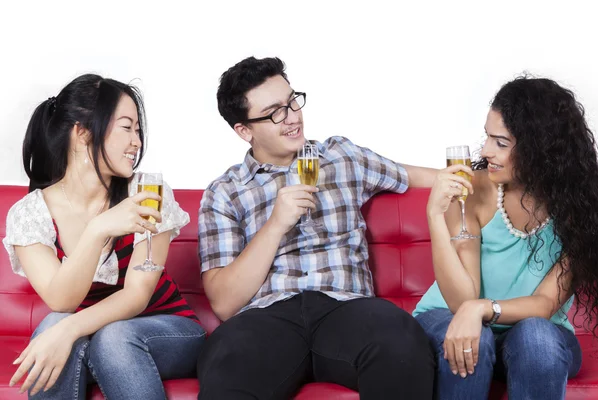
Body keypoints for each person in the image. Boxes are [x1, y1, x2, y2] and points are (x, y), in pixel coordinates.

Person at [196, 56, 438, 399]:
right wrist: (276, 225)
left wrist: (492, 178)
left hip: (347, 306)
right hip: (267, 317)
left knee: (401, 341)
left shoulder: (342, 156)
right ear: (244, 130)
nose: (293, 117)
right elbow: (223, 302)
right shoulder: (225, 192)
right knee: (226, 368)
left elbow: (420, 177)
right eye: (275, 112)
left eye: (292, 101)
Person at [3, 74, 206, 399]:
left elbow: (137, 296)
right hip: (91, 333)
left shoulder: (147, 194)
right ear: (82, 133)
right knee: (54, 326)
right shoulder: (31, 215)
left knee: (105, 336)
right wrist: (99, 230)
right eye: (126, 128)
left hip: (168, 328)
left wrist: (68, 329)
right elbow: (62, 301)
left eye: (138, 130)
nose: (137, 142)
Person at [413, 76, 598, 399]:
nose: (485, 151)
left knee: (537, 338)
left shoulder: (581, 207)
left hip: (531, 331)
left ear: (541, 149)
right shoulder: (475, 190)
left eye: (501, 143)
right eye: (487, 137)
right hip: (450, 317)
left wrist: (481, 309)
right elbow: (462, 300)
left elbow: (544, 304)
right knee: (478, 339)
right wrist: (434, 216)